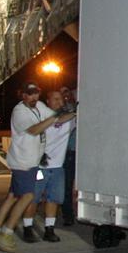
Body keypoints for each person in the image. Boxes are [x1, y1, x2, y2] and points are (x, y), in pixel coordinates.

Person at [0, 83, 73, 251]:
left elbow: (59, 118)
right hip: (24, 162)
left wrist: (74, 112)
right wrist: (53, 118)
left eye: (36, 94)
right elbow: (34, 130)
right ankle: (6, 233)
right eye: (30, 94)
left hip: (33, 162)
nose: (34, 97)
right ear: (23, 96)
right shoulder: (20, 112)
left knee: (13, 196)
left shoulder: (39, 107)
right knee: (28, 196)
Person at [30, 90, 73, 243]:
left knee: (53, 199)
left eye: (61, 99)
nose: (58, 102)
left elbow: (66, 118)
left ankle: (49, 229)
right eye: (55, 99)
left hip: (57, 167)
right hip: (40, 167)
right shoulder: (42, 116)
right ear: (47, 101)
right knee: (33, 198)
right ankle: (28, 227)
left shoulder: (68, 118)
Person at [59, 85, 79, 225]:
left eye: (67, 91)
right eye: (62, 94)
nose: (65, 95)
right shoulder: (62, 112)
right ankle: (68, 214)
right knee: (66, 186)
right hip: (69, 153)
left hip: (81, 153)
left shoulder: (77, 107)